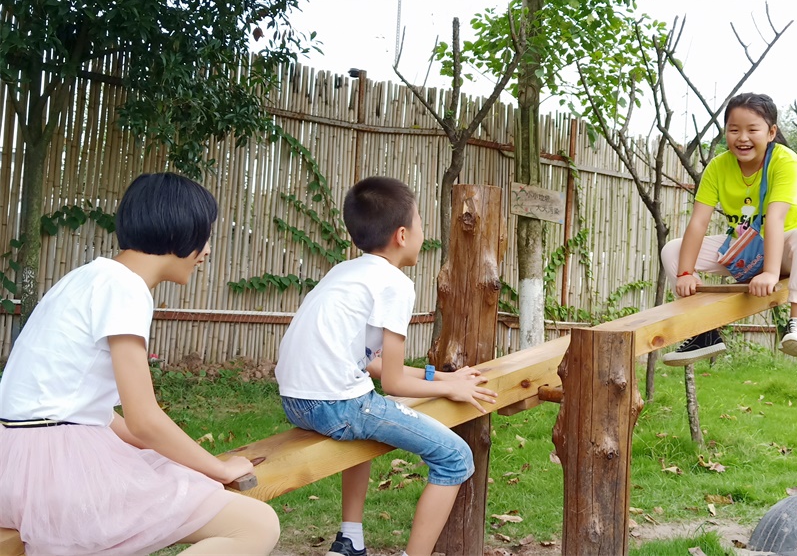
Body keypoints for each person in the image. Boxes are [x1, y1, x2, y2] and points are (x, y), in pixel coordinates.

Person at [0, 172, 280, 555]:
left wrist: (183, 457)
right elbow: (144, 419)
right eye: (206, 235)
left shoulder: (84, 278)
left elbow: (85, 410)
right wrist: (219, 468)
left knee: (170, 470)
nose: (208, 250)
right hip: (58, 475)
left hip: (14, 467)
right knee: (256, 525)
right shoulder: (126, 288)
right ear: (180, 231)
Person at [274, 176, 498, 556]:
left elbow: (373, 365)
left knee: (362, 422)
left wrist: (442, 376)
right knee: (456, 458)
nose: (424, 233)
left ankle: (350, 540)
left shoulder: (345, 272)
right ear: (401, 235)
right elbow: (393, 382)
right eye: (421, 223)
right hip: (337, 406)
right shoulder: (395, 283)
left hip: (296, 401)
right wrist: (450, 389)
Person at [660, 93, 797, 365]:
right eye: (734, 129)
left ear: (771, 132)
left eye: (753, 129)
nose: (742, 137)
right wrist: (685, 272)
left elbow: (774, 219)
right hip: (746, 251)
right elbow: (699, 222)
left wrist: (772, 273)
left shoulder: (784, 160)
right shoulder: (718, 166)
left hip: (786, 249)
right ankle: (704, 333)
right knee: (672, 250)